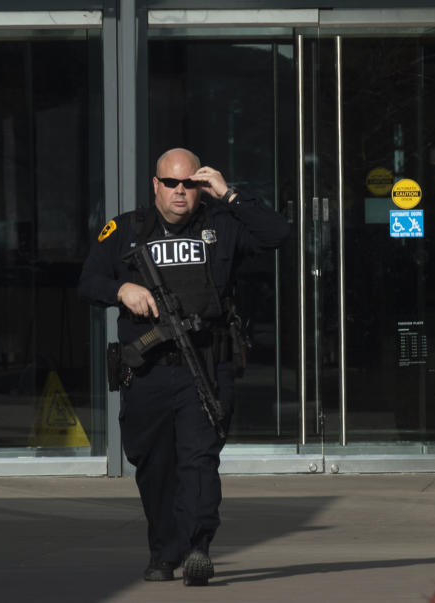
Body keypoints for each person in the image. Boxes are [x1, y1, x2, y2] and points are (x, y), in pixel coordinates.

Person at [78, 148, 289, 586]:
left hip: (207, 364)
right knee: (153, 464)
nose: (180, 192)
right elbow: (88, 282)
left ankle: (197, 547)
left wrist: (229, 195)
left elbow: (278, 234)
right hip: (149, 370)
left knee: (198, 459)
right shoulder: (125, 230)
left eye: (189, 184)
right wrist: (122, 290)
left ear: (200, 185)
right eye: (171, 183)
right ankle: (164, 551)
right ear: (154, 185)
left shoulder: (221, 224)